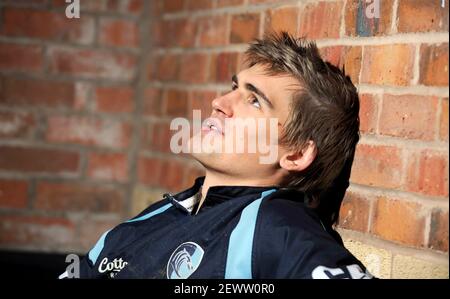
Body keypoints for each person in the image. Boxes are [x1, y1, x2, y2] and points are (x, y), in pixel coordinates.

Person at [64, 31, 373, 279]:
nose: (219, 102)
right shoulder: (152, 217)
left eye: (254, 101)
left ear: (296, 154)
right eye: (234, 88)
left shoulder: (277, 229)